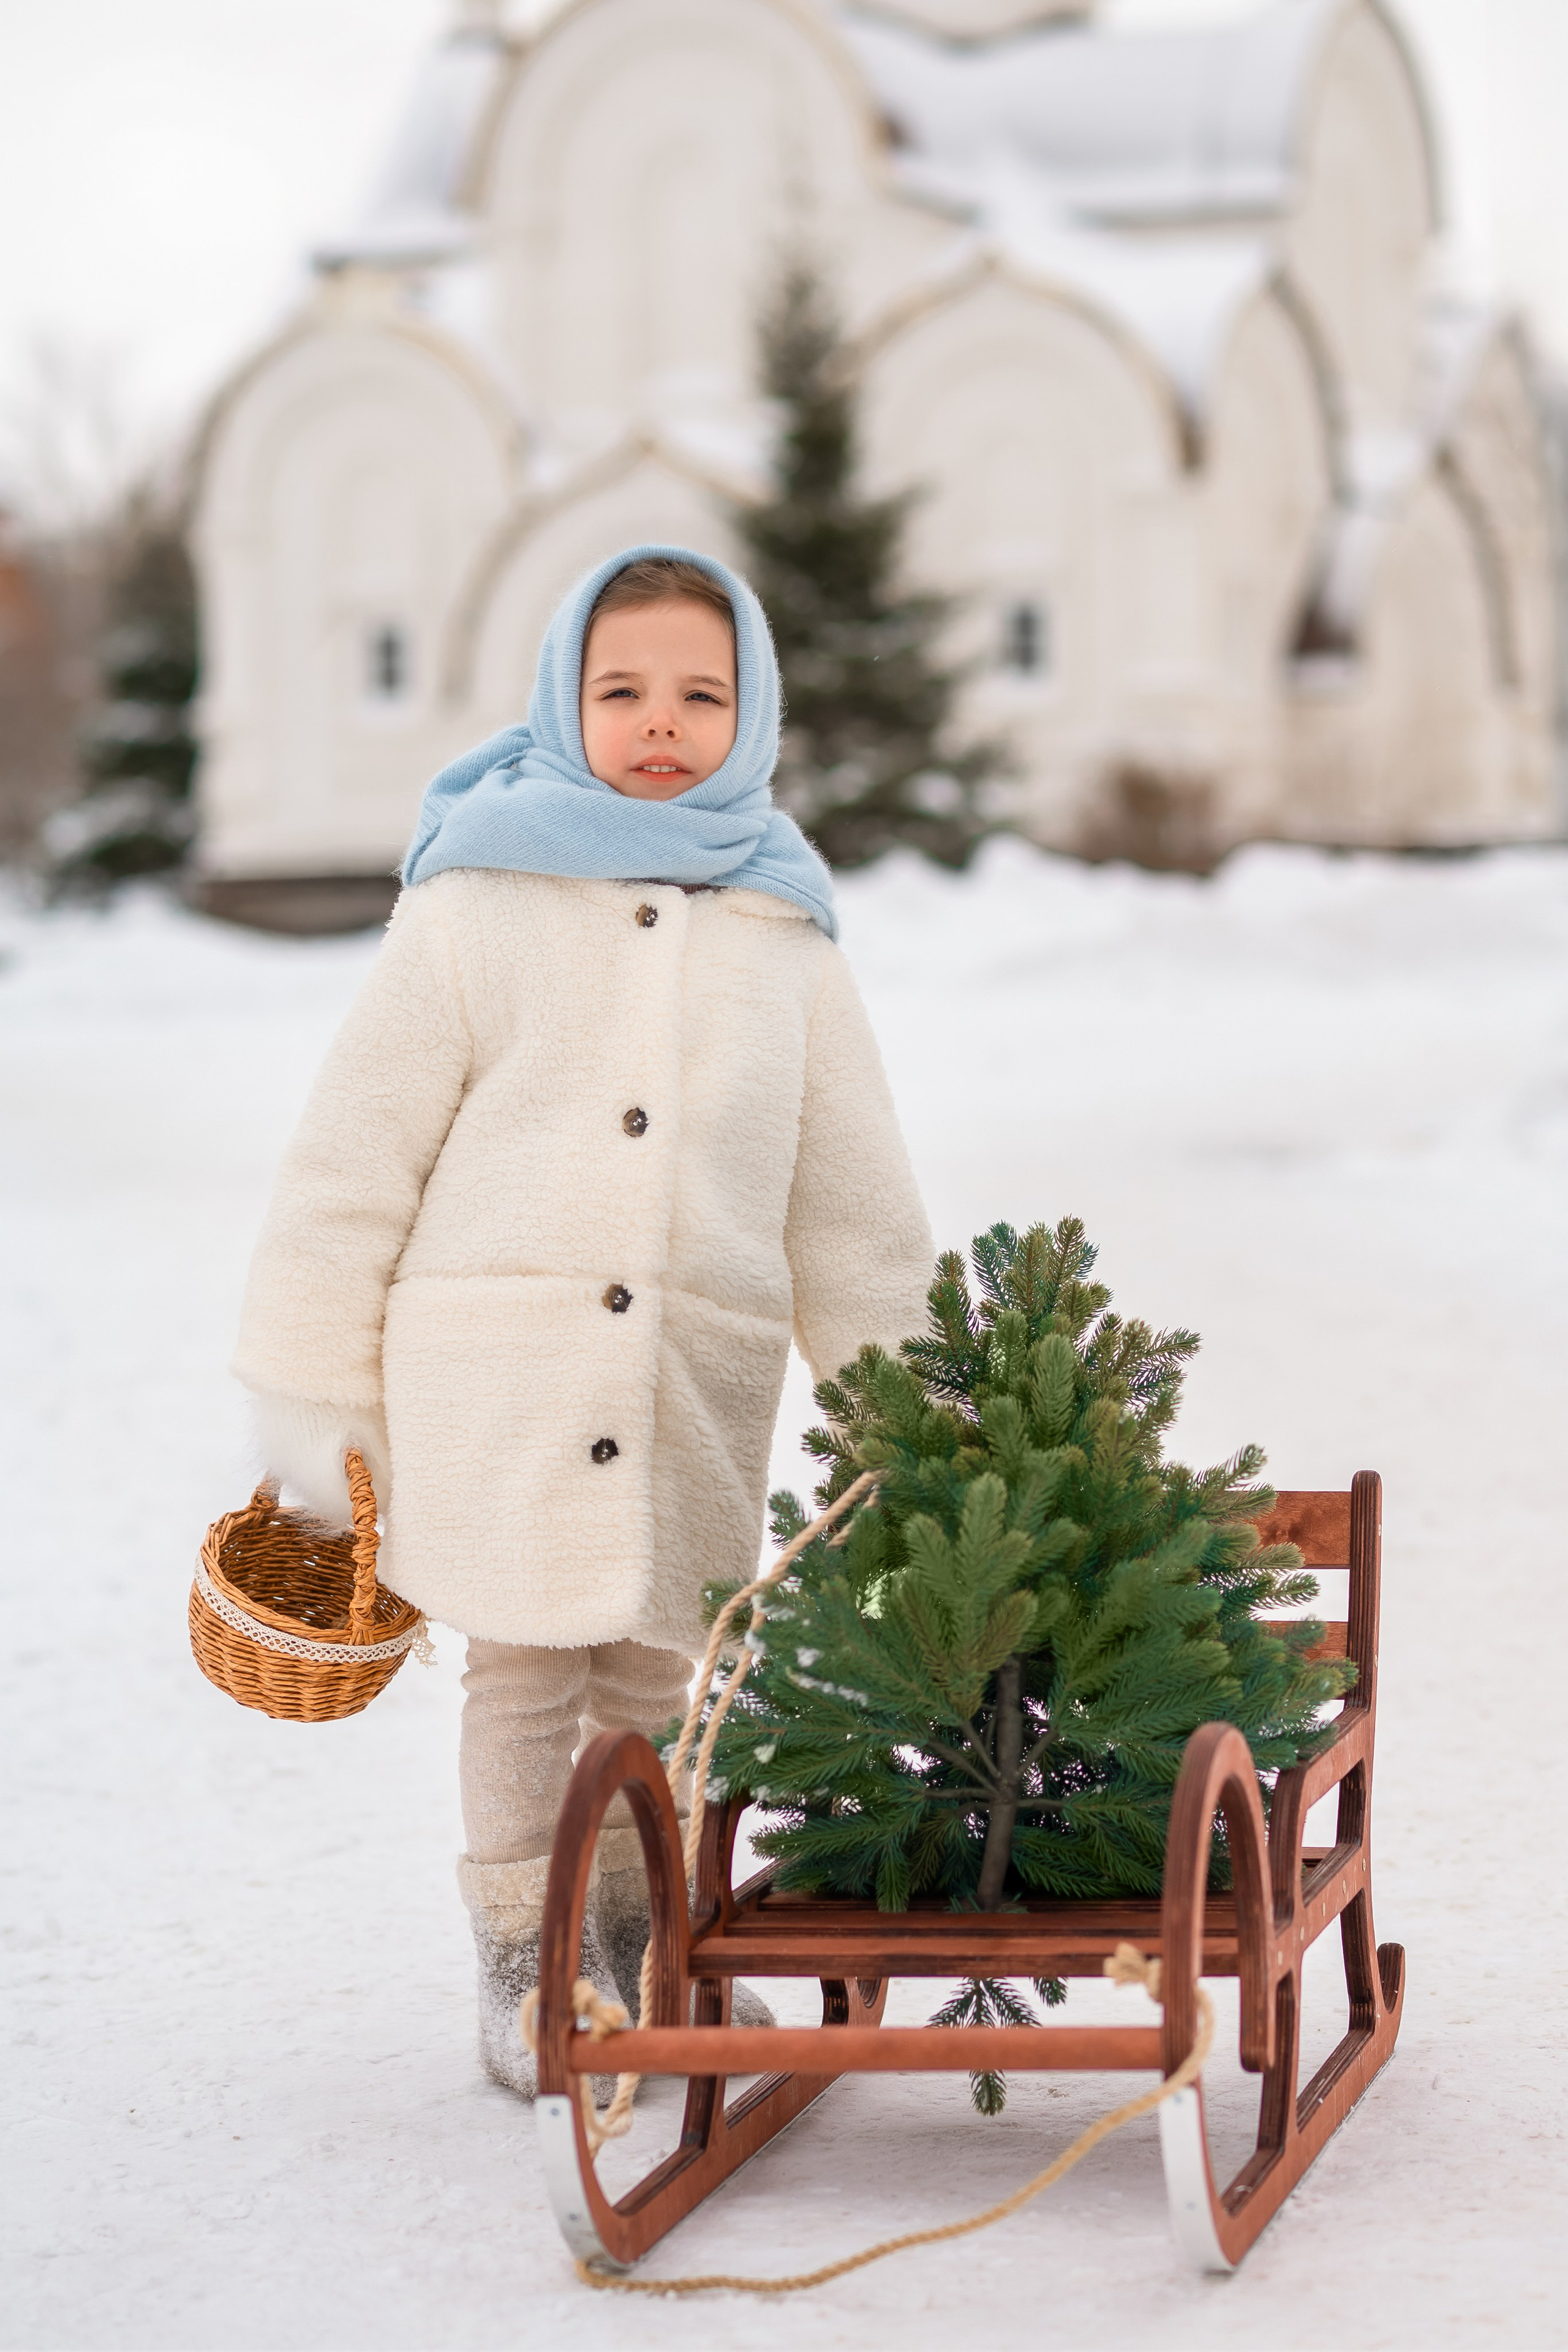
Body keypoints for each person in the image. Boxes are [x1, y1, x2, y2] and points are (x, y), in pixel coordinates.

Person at [233, 545, 932, 2095]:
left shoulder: (783, 937)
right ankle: (513, 1963)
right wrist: (316, 1386)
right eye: (622, 691)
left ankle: (628, 1947)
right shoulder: (478, 901)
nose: (660, 722)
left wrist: (915, 1415)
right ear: (564, 697)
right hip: (501, 1375)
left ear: (752, 715)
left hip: (693, 1371)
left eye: (702, 692)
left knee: (656, 1681)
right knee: (526, 1672)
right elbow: (355, 1157)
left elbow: (851, 1207)